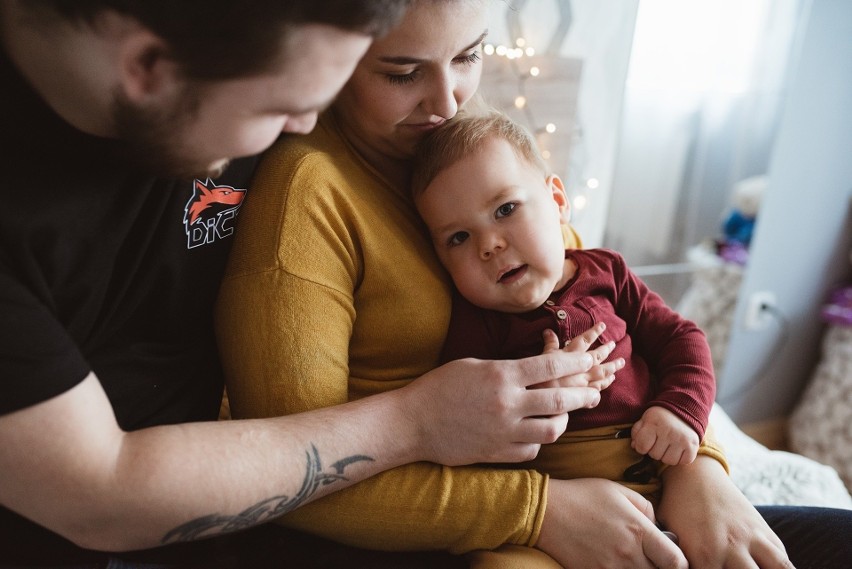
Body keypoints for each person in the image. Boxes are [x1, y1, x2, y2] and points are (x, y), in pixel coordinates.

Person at [217, 0, 852, 567]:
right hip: (464, 523)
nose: (448, 102)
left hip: (631, 479)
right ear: (334, 56)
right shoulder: (309, 196)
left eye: (468, 55)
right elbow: (292, 478)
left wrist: (698, 466)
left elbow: (604, 312)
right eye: (402, 73)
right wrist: (541, 511)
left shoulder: (464, 137)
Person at [0, 1, 609, 566]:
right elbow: (101, 496)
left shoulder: (252, 60)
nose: (310, 122)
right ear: (150, 68)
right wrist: (419, 423)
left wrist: (695, 453)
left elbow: (567, 259)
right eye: (278, 107)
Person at [413, 108, 716, 495]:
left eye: (505, 209)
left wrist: (681, 409)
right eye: (458, 237)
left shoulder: (608, 271)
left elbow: (682, 337)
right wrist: (536, 395)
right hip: (558, 501)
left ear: (557, 201)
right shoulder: (473, 323)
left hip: (657, 470)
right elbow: (468, 432)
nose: (489, 245)